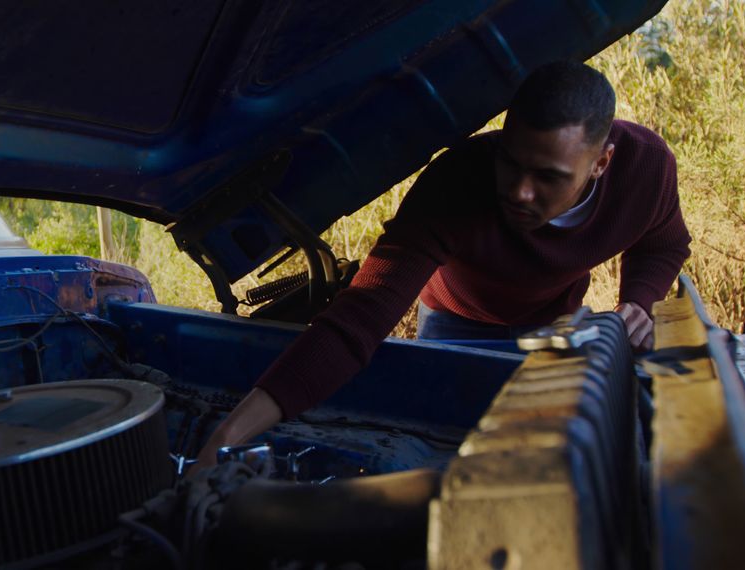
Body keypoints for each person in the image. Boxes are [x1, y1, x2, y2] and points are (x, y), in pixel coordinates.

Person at [195, 61, 691, 467]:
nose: (519, 191)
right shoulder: (456, 182)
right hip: (454, 325)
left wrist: (638, 303)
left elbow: (664, 242)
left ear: (601, 163)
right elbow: (357, 321)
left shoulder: (646, 168)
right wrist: (228, 433)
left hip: (549, 327)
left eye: (547, 177)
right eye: (511, 162)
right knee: (443, 448)